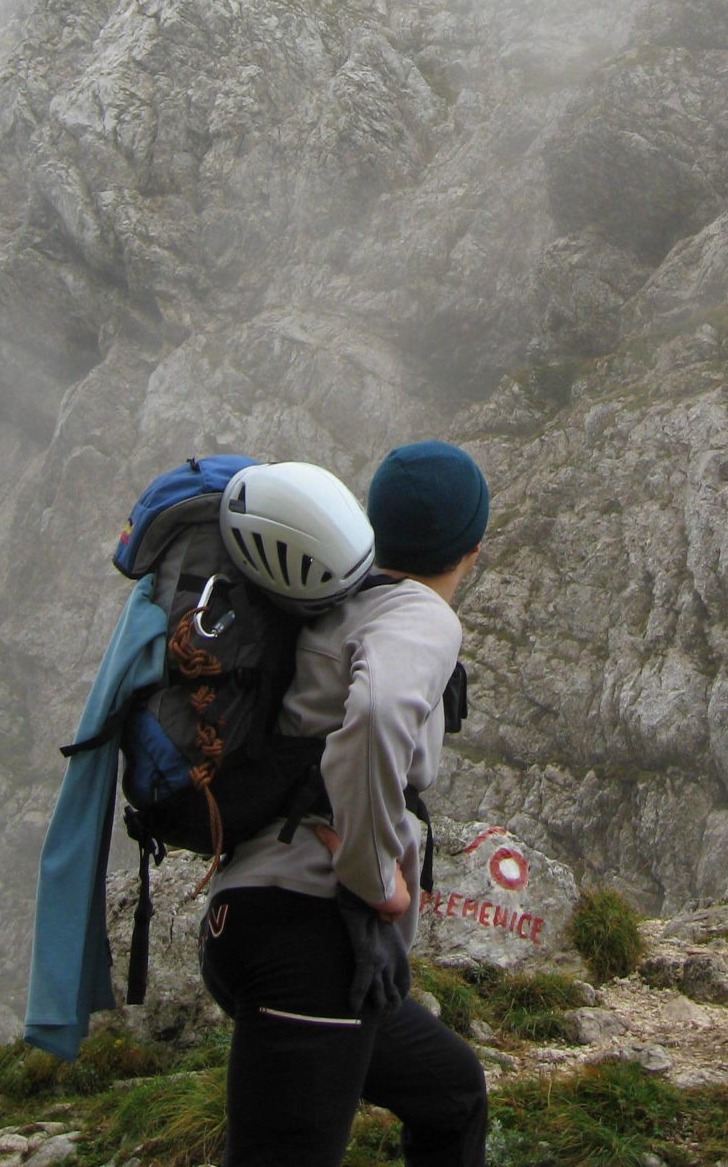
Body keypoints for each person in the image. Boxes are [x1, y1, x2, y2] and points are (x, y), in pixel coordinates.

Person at [200, 438, 491, 1167]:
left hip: (254, 925)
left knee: (452, 1095)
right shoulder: (419, 616)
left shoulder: (333, 605)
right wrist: (374, 874)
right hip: (307, 938)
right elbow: (380, 713)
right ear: (473, 548)